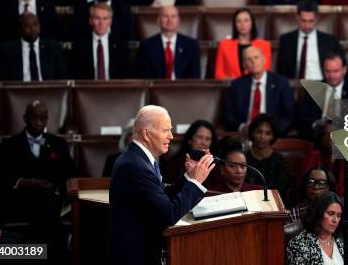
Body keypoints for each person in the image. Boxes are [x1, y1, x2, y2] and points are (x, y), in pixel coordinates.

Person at [107, 105, 215, 265]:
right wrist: (196, 183)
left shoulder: (137, 159)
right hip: (134, 257)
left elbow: (160, 197)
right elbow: (168, 214)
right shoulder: (136, 166)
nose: (171, 136)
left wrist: (188, 177)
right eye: (165, 130)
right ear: (146, 133)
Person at [0, 100, 75, 261]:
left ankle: (37, 253)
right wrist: (25, 181)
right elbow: (1, 178)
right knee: (47, 212)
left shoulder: (58, 144)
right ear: (25, 119)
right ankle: (57, 252)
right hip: (21, 199)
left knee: (47, 203)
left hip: (53, 199)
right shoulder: (10, 145)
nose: (39, 122)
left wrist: (57, 188)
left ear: (47, 119)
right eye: (34, 118)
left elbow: (70, 174)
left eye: (43, 118)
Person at [224, 46, 296, 135]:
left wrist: (273, 130)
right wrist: (242, 127)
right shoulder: (237, 85)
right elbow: (228, 114)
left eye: (256, 57)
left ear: (264, 60)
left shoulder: (281, 83)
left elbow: (290, 114)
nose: (253, 62)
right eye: (249, 59)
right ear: (244, 65)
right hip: (245, 132)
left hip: (272, 133)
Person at [298, 53, 348, 138]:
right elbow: (303, 119)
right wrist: (319, 126)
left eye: (336, 71)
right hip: (318, 137)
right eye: (328, 71)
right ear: (323, 70)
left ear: (344, 70)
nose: (331, 76)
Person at [286, 192, 348, 265]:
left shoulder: (345, 243)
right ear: (319, 213)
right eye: (331, 213)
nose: (335, 220)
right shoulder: (298, 244)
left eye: (338, 215)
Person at [276, 0, 342, 79]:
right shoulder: (286, 41)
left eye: (311, 21)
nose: (307, 25)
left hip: (321, 86)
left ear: (317, 18)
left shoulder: (330, 41)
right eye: (303, 21)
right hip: (296, 86)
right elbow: (281, 72)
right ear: (297, 18)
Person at [0, 13, 67, 81]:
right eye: (27, 26)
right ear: (19, 29)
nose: (32, 29)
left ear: (39, 27)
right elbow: (2, 80)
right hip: (19, 91)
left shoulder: (53, 47)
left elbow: (62, 77)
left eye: (35, 24)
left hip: (46, 91)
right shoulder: (7, 50)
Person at [136, 5, 201, 79]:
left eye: (173, 16)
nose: (169, 20)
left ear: (178, 21)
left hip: (183, 89)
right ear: (158, 20)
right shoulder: (146, 46)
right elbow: (144, 78)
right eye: (165, 16)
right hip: (157, 89)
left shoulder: (191, 45)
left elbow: (195, 78)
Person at [70, 3, 131, 80]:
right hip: (88, 90)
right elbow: (75, 76)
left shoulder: (121, 46)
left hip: (114, 90)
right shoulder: (79, 46)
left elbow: (126, 77)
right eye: (97, 18)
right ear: (90, 20)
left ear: (110, 22)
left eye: (105, 18)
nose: (101, 23)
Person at [214, 8, 272, 79]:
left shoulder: (264, 45)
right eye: (239, 21)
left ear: (252, 23)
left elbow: (265, 71)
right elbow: (218, 74)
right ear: (235, 24)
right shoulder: (224, 45)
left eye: (246, 20)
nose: (242, 24)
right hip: (232, 87)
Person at [244, 114, 290, 199]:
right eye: (259, 132)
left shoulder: (280, 162)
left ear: (273, 136)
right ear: (252, 133)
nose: (262, 137)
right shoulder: (243, 158)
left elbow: (282, 192)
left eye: (268, 133)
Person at [161, 120, 219, 186]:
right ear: (190, 140)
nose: (203, 143)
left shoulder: (215, 165)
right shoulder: (174, 162)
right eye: (199, 137)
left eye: (208, 139)